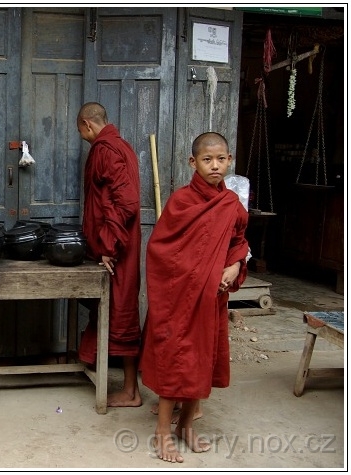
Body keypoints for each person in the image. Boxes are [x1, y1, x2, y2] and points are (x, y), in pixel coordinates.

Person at [139, 132, 249, 463]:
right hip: (180, 299)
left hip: (212, 297)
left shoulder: (231, 204)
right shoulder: (181, 202)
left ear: (229, 161)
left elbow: (238, 241)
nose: (214, 165)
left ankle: (186, 426)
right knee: (176, 358)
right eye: (207, 159)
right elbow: (161, 251)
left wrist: (232, 266)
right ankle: (162, 433)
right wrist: (204, 274)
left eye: (221, 159)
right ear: (193, 162)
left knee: (202, 358)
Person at [76, 102, 142, 407]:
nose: (81, 135)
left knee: (122, 313)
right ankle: (103, 373)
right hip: (114, 246)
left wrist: (108, 246)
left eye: (80, 130)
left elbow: (126, 202)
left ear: (87, 124)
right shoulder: (120, 146)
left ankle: (131, 391)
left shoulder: (106, 150)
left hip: (117, 250)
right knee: (112, 310)